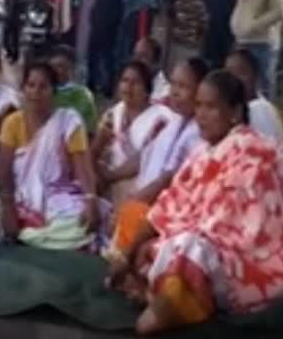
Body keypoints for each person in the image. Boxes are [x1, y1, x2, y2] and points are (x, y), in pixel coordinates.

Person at [106, 70, 283, 334]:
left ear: (234, 112)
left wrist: (160, 241)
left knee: (192, 250)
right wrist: (135, 247)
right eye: (198, 105)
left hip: (239, 258)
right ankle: (155, 290)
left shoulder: (253, 150)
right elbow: (170, 203)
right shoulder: (201, 151)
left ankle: (162, 299)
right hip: (183, 234)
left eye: (210, 107)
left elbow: (228, 226)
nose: (200, 114)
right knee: (134, 214)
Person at [0, 62, 103, 249]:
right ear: (23, 89)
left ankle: (28, 233)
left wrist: (90, 199)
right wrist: (8, 209)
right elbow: (4, 171)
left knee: (81, 223)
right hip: (18, 195)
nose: (36, 92)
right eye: (31, 85)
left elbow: (82, 165)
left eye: (43, 87)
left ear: (53, 92)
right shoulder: (12, 122)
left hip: (57, 194)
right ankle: (40, 234)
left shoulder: (67, 121)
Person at [107, 57, 210, 258]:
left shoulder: (199, 132)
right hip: (146, 199)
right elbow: (144, 157)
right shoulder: (173, 122)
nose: (174, 92)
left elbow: (170, 178)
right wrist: (111, 177)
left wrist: (136, 199)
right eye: (172, 84)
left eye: (183, 86)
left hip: (168, 211)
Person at [91, 60, 170, 206]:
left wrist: (110, 176)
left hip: (140, 187)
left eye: (136, 82)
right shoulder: (114, 113)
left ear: (147, 89)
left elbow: (144, 159)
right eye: (125, 80)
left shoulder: (161, 119)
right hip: (108, 182)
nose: (128, 87)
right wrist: (100, 141)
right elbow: (95, 152)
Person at [231, 0, 283, 97]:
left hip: (263, 43)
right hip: (244, 40)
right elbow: (240, 5)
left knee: (263, 86)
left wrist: (254, 25)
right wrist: (235, 23)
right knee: (241, 83)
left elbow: (279, 11)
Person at [225, 48, 283, 142]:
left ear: (255, 76)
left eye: (241, 72)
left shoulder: (258, 109)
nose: (234, 79)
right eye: (229, 74)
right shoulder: (241, 108)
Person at [88, 0, 123, 97]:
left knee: (106, 55)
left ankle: (106, 86)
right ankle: (94, 84)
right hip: (101, 19)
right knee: (97, 54)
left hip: (108, 21)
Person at [49, 45, 98, 135]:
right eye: (52, 67)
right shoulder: (44, 91)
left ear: (71, 68)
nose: (55, 71)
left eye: (60, 66)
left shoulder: (82, 94)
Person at [166, 0, 208, 72]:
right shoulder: (177, 4)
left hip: (191, 46)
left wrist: (200, 45)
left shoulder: (200, 5)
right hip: (177, 45)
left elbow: (204, 26)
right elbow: (172, 24)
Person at [133, 37, 169, 102]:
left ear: (156, 61)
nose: (136, 60)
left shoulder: (165, 94)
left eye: (143, 56)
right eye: (135, 55)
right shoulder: (130, 85)